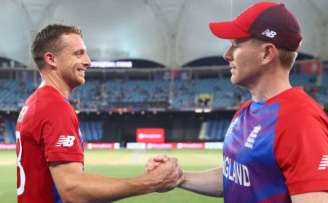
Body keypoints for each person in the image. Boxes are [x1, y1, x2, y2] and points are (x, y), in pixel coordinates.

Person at [147, 2, 328, 202]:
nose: (227, 55)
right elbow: (236, 177)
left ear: (267, 53)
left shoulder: (300, 119)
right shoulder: (245, 110)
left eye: (236, 44)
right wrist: (178, 177)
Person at [16, 24, 182, 203]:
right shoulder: (54, 107)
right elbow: (73, 190)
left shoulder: (36, 101)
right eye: (78, 53)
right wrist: (151, 181)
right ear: (51, 59)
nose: (88, 61)